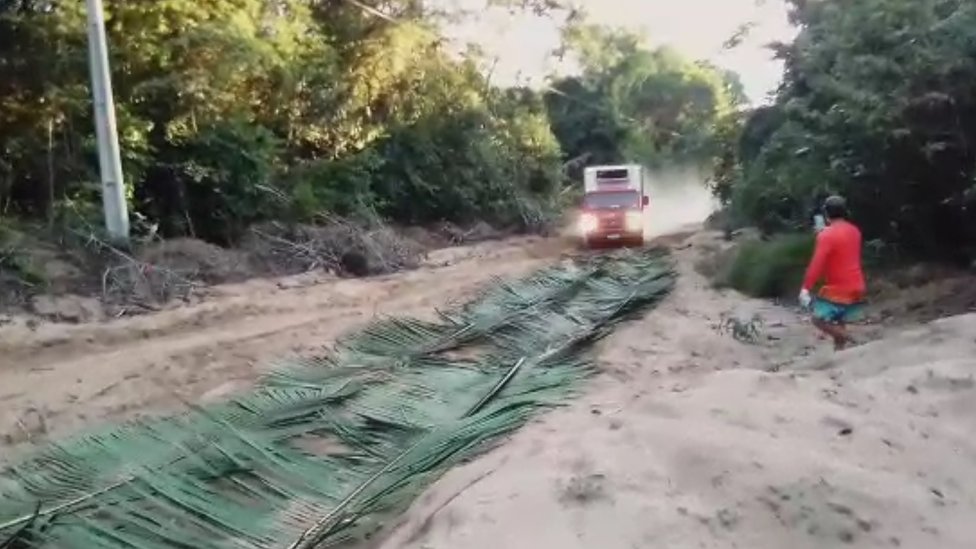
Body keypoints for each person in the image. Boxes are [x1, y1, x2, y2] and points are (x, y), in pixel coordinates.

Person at [798, 195, 866, 350]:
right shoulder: (855, 231)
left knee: (818, 319)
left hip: (838, 288)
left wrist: (806, 288)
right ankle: (840, 357)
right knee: (839, 321)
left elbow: (817, 264)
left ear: (826, 214)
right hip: (857, 285)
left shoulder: (826, 235)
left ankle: (857, 343)